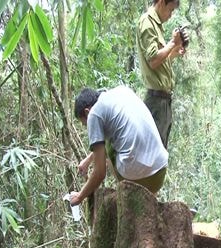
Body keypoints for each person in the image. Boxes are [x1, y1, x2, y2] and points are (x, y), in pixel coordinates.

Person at [69, 86, 169, 206]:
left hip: (137, 179)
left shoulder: (94, 114)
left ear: (87, 112)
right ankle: (151, 204)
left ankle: (125, 194)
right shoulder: (121, 91)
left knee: (108, 149)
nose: (86, 127)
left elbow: (100, 172)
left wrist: (79, 197)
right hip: (159, 172)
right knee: (113, 142)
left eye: (84, 124)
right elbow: (126, 134)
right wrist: (88, 160)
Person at [136, 0, 189, 148]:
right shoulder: (147, 22)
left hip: (163, 101)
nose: (170, 15)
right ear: (161, 2)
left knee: (160, 153)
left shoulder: (156, 26)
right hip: (156, 101)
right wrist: (172, 42)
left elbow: (160, 63)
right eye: (170, 10)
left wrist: (174, 52)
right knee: (154, 155)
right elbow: (153, 60)